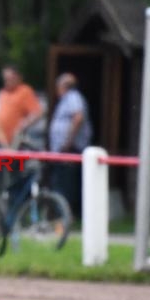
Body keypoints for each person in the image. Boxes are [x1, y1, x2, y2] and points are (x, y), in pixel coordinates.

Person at [49, 73, 92, 216]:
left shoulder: (72, 97)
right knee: (63, 182)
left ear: (63, 86)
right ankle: (64, 215)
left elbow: (78, 118)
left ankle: (65, 216)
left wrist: (68, 141)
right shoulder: (68, 99)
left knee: (65, 184)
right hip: (64, 150)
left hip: (69, 150)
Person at [0, 65, 42, 148]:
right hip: (0, 141)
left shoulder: (24, 91)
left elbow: (37, 113)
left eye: (10, 78)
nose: (7, 81)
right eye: (5, 79)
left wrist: (23, 125)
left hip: (14, 142)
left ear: (18, 78)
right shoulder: (3, 92)